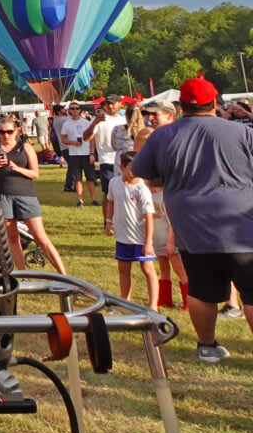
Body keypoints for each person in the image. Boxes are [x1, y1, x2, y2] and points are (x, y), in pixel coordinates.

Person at [131, 73, 253, 363]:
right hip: (241, 223)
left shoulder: (162, 135)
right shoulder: (241, 131)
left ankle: (207, 346)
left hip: (191, 224)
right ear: (214, 101)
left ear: (181, 105)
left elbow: (143, 170)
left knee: (201, 288)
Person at [0, 120, 66, 272]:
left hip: (25, 195)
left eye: (9, 132)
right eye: (1, 132)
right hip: (2, 195)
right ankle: (23, 274)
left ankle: (64, 275)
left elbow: (35, 173)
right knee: (12, 238)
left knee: (40, 238)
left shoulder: (25, 147)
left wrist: (18, 169)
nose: (5, 135)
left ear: (16, 131)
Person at [104, 151, 159, 310]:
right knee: (123, 268)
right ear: (121, 167)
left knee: (147, 268)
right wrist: (108, 222)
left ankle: (153, 305)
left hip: (140, 238)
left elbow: (149, 217)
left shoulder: (142, 189)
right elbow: (110, 202)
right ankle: (125, 301)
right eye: (131, 168)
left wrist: (148, 242)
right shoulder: (114, 183)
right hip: (122, 236)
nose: (136, 172)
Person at [57, 103, 100, 207]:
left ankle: (93, 199)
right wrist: (72, 142)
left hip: (86, 154)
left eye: (77, 108)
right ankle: (80, 200)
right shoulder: (66, 124)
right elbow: (63, 139)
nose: (75, 110)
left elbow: (92, 139)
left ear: (80, 110)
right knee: (77, 179)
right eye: (72, 108)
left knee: (90, 179)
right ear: (69, 111)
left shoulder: (86, 122)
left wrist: (92, 153)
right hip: (74, 155)